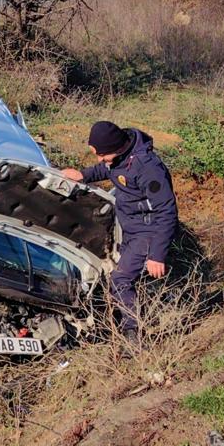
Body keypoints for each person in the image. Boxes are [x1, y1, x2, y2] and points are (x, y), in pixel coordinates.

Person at [61, 121, 178, 344]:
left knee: (120, 278)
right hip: (130, 229)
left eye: (102, 154)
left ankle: (133, 337)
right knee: (121, 276)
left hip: (149, 232)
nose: (99, 159)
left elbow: (167, 210)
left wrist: (157, 254)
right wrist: (82, 175)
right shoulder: (120, 157)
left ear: (116, 147)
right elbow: (107, 169)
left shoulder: (148, 168)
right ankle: (141, 312)